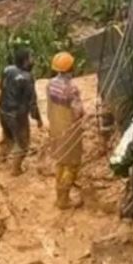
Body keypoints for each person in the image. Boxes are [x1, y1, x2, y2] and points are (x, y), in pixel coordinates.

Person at [47, 52, 85, 210]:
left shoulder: (50, 84)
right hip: (69, 129)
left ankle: (59, 194)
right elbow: (78, 112)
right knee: (71, 165)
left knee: (60, 162)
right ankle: (63, 200)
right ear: (71, 67)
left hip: (55, 127)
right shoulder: (71, 88)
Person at [0, 48, 42, 176]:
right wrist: (37, 118)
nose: (33, 60)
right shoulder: (27, 78)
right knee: (23, 143)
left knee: (7, 135)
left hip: (3, 109)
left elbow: (2, 86)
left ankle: (1, 159)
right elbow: (32, 102)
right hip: (17, 115)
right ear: (25, 61)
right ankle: (15, 170)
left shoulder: (7, 70)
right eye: (31, 58)